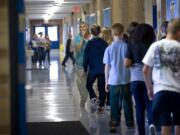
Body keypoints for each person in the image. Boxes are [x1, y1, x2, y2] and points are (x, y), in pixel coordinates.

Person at [143, 19, 180, 135]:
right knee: (178, 123)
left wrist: (150, 89)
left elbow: (145, 70)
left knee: (165, 122)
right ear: (178, 32)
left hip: (160, 92)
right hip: (177, 92)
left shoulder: (155, 46)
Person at [124, 23, 156, 135]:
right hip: (149, 79)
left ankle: (141, 131)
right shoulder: (153, 45)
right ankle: (152, 124)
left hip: (135, 79)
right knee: (150, 104)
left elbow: (126, 63)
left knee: (139, 106)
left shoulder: (132, 44)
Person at [103, 23, 134, 133]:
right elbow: (131, 64)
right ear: (122, 33)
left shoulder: (109, 49)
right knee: (127, 102)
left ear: (112, 34)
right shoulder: (127, 47)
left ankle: (114, 122)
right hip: (126, 79)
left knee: (114, 102)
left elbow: (107, 66)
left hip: (113, 80)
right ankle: (130, 123)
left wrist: (106, 81)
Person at [83, 24, 108, 113]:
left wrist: (85, 69)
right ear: (100, 32)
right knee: (102, 87)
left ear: (91, 33)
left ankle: (93, 97)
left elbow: (85, 57)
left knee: (88, 85)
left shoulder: (89, 44)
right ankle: (101, 106)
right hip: (103, 69)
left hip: (93, 69)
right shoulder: (105, 43)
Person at [73, 22, 90, 107]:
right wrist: (83, 38)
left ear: (88, 28)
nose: (82, 28)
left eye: (84, 27)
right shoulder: (76, 38)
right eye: (81, 27)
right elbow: (78, 49)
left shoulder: (91, 38)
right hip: (80, 65)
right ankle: (83, 98)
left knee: (88, 84)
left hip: (90, 65)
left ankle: (88, 97)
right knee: (81, 84)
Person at [100, 27, 113, 110]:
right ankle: (108, 102)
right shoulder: (110, 44)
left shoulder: (106, 45)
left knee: (106, 84)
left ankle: (107, 102)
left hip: (106, 67)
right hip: (109, 67)